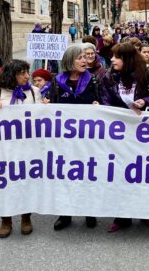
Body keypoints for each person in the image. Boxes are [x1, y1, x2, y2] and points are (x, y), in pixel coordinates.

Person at [101, 42, 149, 232]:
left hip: (144, 134)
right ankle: (122, 216)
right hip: (120, 135)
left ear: (128, 59)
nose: (112, 59)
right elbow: (107, 101)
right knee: (121, 174)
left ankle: (146, 212)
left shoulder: (148, 75)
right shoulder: (108, 77)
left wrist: (145, 101)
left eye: (117, 57)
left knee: (143, 173)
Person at [48, 45, 102, 231]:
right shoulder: (57, 82)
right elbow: (51, 107)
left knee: (87, 174)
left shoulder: (94, 81)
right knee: (65, 176)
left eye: (85, 58)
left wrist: (99, 105)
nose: (85, 61)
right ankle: (65, 213)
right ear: (70, 61)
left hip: (88, 139)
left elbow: (103, 103)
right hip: (65, 140)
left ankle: (89, 211)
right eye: (79, 58)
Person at [0, 60, 41, 238]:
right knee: (5, 183)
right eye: (22, 73)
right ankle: (6, 219)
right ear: (11, 75)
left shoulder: (34, 91)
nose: (27, 76)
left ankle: (26, 217)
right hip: (4, 148)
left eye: (27, 72)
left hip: (27, 148)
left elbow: (41, 118)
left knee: (26, 181)